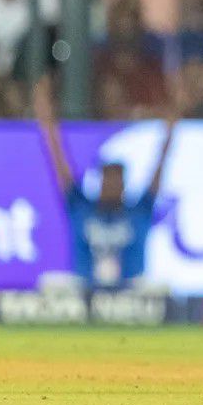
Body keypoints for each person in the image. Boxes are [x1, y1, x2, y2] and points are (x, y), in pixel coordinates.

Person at [35, 75, 178, 290]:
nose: (112, 185)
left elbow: (159, 169)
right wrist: (47, 123)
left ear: (124, 185)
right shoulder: (80, 207)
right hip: (84, 290)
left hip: (132, 293)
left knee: (162, 288)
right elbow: (59, 164)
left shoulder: (139, 211)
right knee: (49, 284)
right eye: (108, 179)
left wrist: (170, 133)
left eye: (117, 180)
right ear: (100, 181)